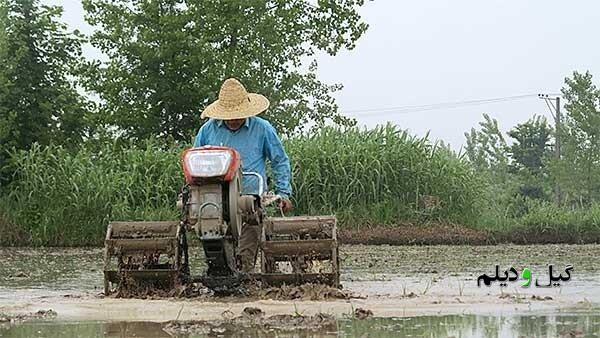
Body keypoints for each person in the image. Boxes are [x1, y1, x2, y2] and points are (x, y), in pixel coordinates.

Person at [193, 78, 293, 272]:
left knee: (244, 258)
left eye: (238, 115)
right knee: (215, 252)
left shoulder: (262, 128)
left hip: (251, 199)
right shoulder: (207, 131)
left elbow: (279, 160)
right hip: (214, 199)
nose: (234, 119)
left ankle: (244, 276)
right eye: (230, 115)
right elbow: (195, 161)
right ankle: (220, 276)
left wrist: (284, 193)